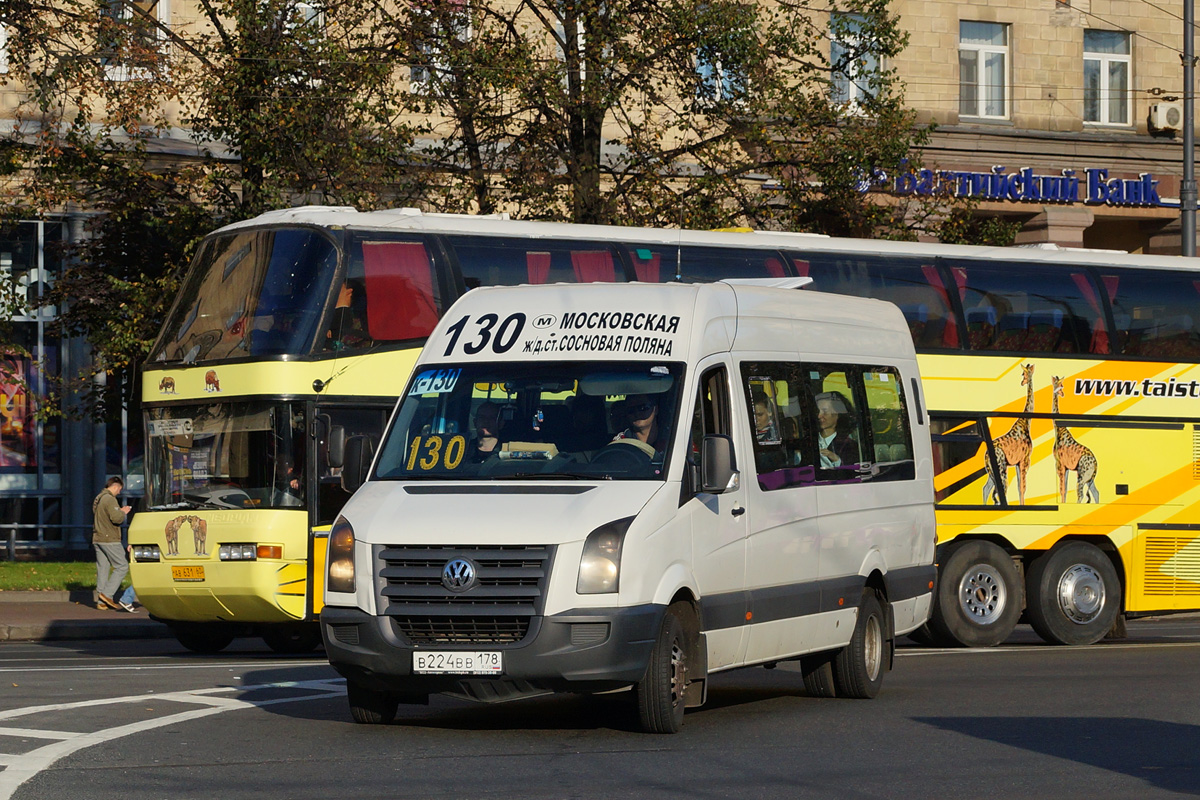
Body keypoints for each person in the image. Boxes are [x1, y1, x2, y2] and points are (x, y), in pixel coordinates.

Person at [92, 476, 136, 613]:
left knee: (103, 568)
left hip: (97, 537)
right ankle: (107, 595)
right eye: (120, 490)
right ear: (116, 486)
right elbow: (116, 519)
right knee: (122, 566)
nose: (119, 492)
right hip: (109, 538)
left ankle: (101, 602)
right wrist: (123, 512)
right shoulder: (110, 499)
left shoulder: (98, 498)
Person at [815, 391, 858, 469]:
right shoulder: (807, 441)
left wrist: (837, 460)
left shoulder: (850, 446)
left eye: (825, 411)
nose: (819, 416)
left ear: (838, 414)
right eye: (818, 411)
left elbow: (852, 474)